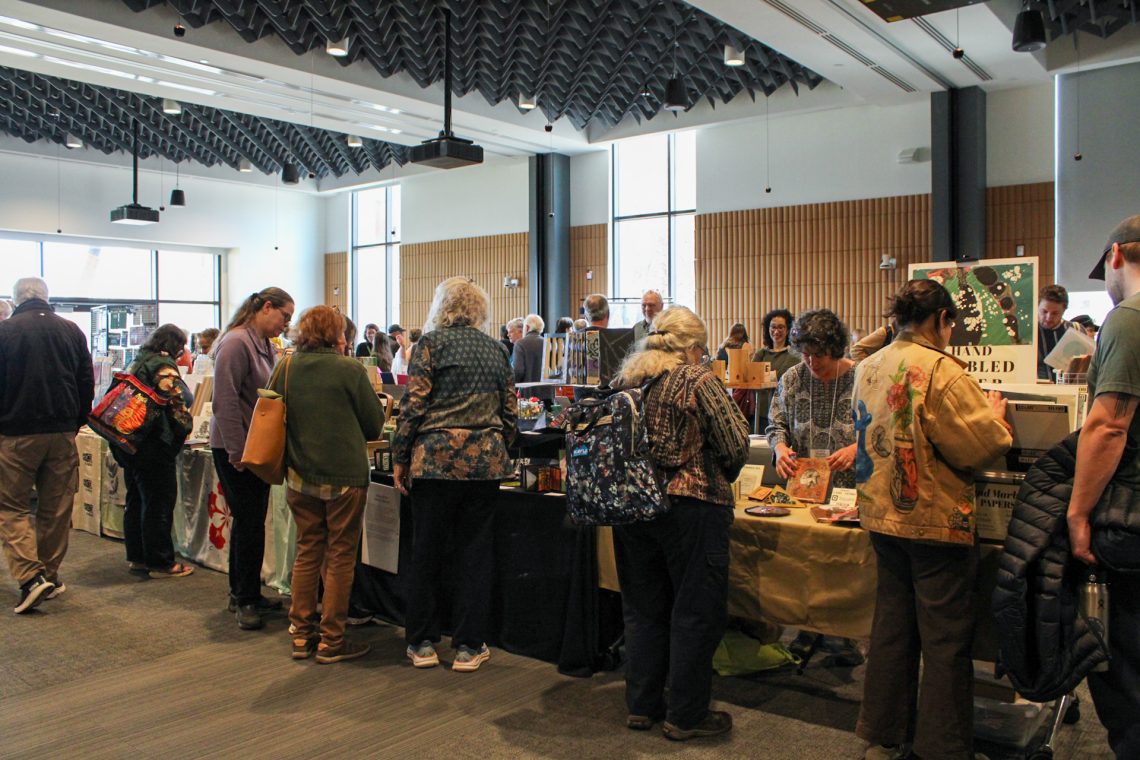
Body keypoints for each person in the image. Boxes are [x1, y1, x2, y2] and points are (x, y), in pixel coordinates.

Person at [853, 279, 1011, 760]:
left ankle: (883, 735)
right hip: (934, 520)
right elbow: (980, 445)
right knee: (944, 640)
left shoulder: (869, 366)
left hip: (880, 516)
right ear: (943, 320)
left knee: (892, 630)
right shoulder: (942, 370)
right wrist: (998, 418)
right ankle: (942, 748)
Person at [610, 306, 749, 741]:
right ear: (693, 346)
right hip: (692, 508)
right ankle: (686, 715)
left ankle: (642, 705)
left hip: (633, 507)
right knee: (695, 609)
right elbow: (735, 443)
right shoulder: (696, 378)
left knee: (644, 608)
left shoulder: (628, 378)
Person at [393, 277, 516, 673]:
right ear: (479, 309)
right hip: (484, 465)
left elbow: (413, 407)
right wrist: (500, 444)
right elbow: (510, 411)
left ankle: (422, 643)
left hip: (434, 462)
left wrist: (400, 455)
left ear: (441, 307)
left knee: (426, 552)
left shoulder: (429, 345)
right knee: (474, 554)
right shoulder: (497, 349)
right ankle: (468, 646)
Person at [268, 305, 384, 664]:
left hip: (300, 475)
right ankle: (332, 640)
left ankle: (301, 635)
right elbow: (374, 425)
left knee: (307, 552)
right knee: (340, 558)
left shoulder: (286, 366)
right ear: (338, 335)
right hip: (345, 477)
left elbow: (270, 411)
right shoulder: (349, 369)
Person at [1067, 214, 1140, 758]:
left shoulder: (1128, 317)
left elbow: (1109, 424)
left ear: (1115, 256)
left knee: (1123, 665)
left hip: (1130, 517)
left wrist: (1077, 512)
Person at [766, 308, 861, 664]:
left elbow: (882, 429)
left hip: (851, 491)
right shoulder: (791, 378)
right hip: (806, 489)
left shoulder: (861, 378)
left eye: (818, 355)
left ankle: (846, 631)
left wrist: (857, 447)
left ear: (836, 349)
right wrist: (779, 449)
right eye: (804, 353)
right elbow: (775, 425)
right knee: (809, 561)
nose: (810, 362)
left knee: (844, 564)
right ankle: (809, 628)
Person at [0, 277, 93, 613]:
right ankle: (49, 575)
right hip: (62, 432)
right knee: (56, 508)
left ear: (16, 300)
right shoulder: (72, 330)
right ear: (46, 298)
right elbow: (87, 381)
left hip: (16, 434)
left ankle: (29, 578)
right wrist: (76, 421)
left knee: (12, 508)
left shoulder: (5, 332)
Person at [209, 287, 294, 630]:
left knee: (252, 522)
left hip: (253, 448)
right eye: (284, 316)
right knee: (247, 523)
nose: (286, 324)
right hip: (237, 448)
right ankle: (244, 598)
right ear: (267, 307)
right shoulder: (236, 343)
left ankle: (245, 592)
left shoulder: (262, 344)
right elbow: (224, 401)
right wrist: (236, 450)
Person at [114, 324, 195, 579]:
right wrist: (186, 428)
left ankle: (138, 558)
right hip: (154, 443)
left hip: (131, 441)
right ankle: (160, 562)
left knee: (136, 500)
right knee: (158, 503)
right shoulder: (163, 367)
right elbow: (178, 401)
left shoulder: (137, 361)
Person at [752, 309, 800, 433]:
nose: (776, 331)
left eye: (781, 327)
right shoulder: (760, 354)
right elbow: (751, 378)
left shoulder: (794, 356)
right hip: (760, 413)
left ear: (788, 330)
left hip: (784, 415)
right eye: (773, 327)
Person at [1037, 284, 1079, 380]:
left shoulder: (1076, 330)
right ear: (1037, 306)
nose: (1048, 318)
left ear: (1064, 311)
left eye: (1055, 313)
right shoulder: (1029, 333)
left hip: (1069, 389)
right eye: (1044, 311)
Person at [511, 313, 545, 384]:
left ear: (527, 327)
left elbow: (518, 371)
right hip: (547, 391)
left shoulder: (520, 344)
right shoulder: (548, 343)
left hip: (527, 391)